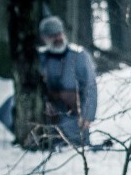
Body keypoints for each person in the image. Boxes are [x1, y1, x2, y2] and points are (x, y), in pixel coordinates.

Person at [38, 16, 98, 146]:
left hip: (73, 113)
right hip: (48, 113)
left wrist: (87, 116)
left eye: (59, 34)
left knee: (75, 141)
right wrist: (43, 102)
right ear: (44, 38)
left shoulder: (79, 56)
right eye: (52, 36)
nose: (57, 38)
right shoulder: (40, 58)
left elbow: (90, 86)